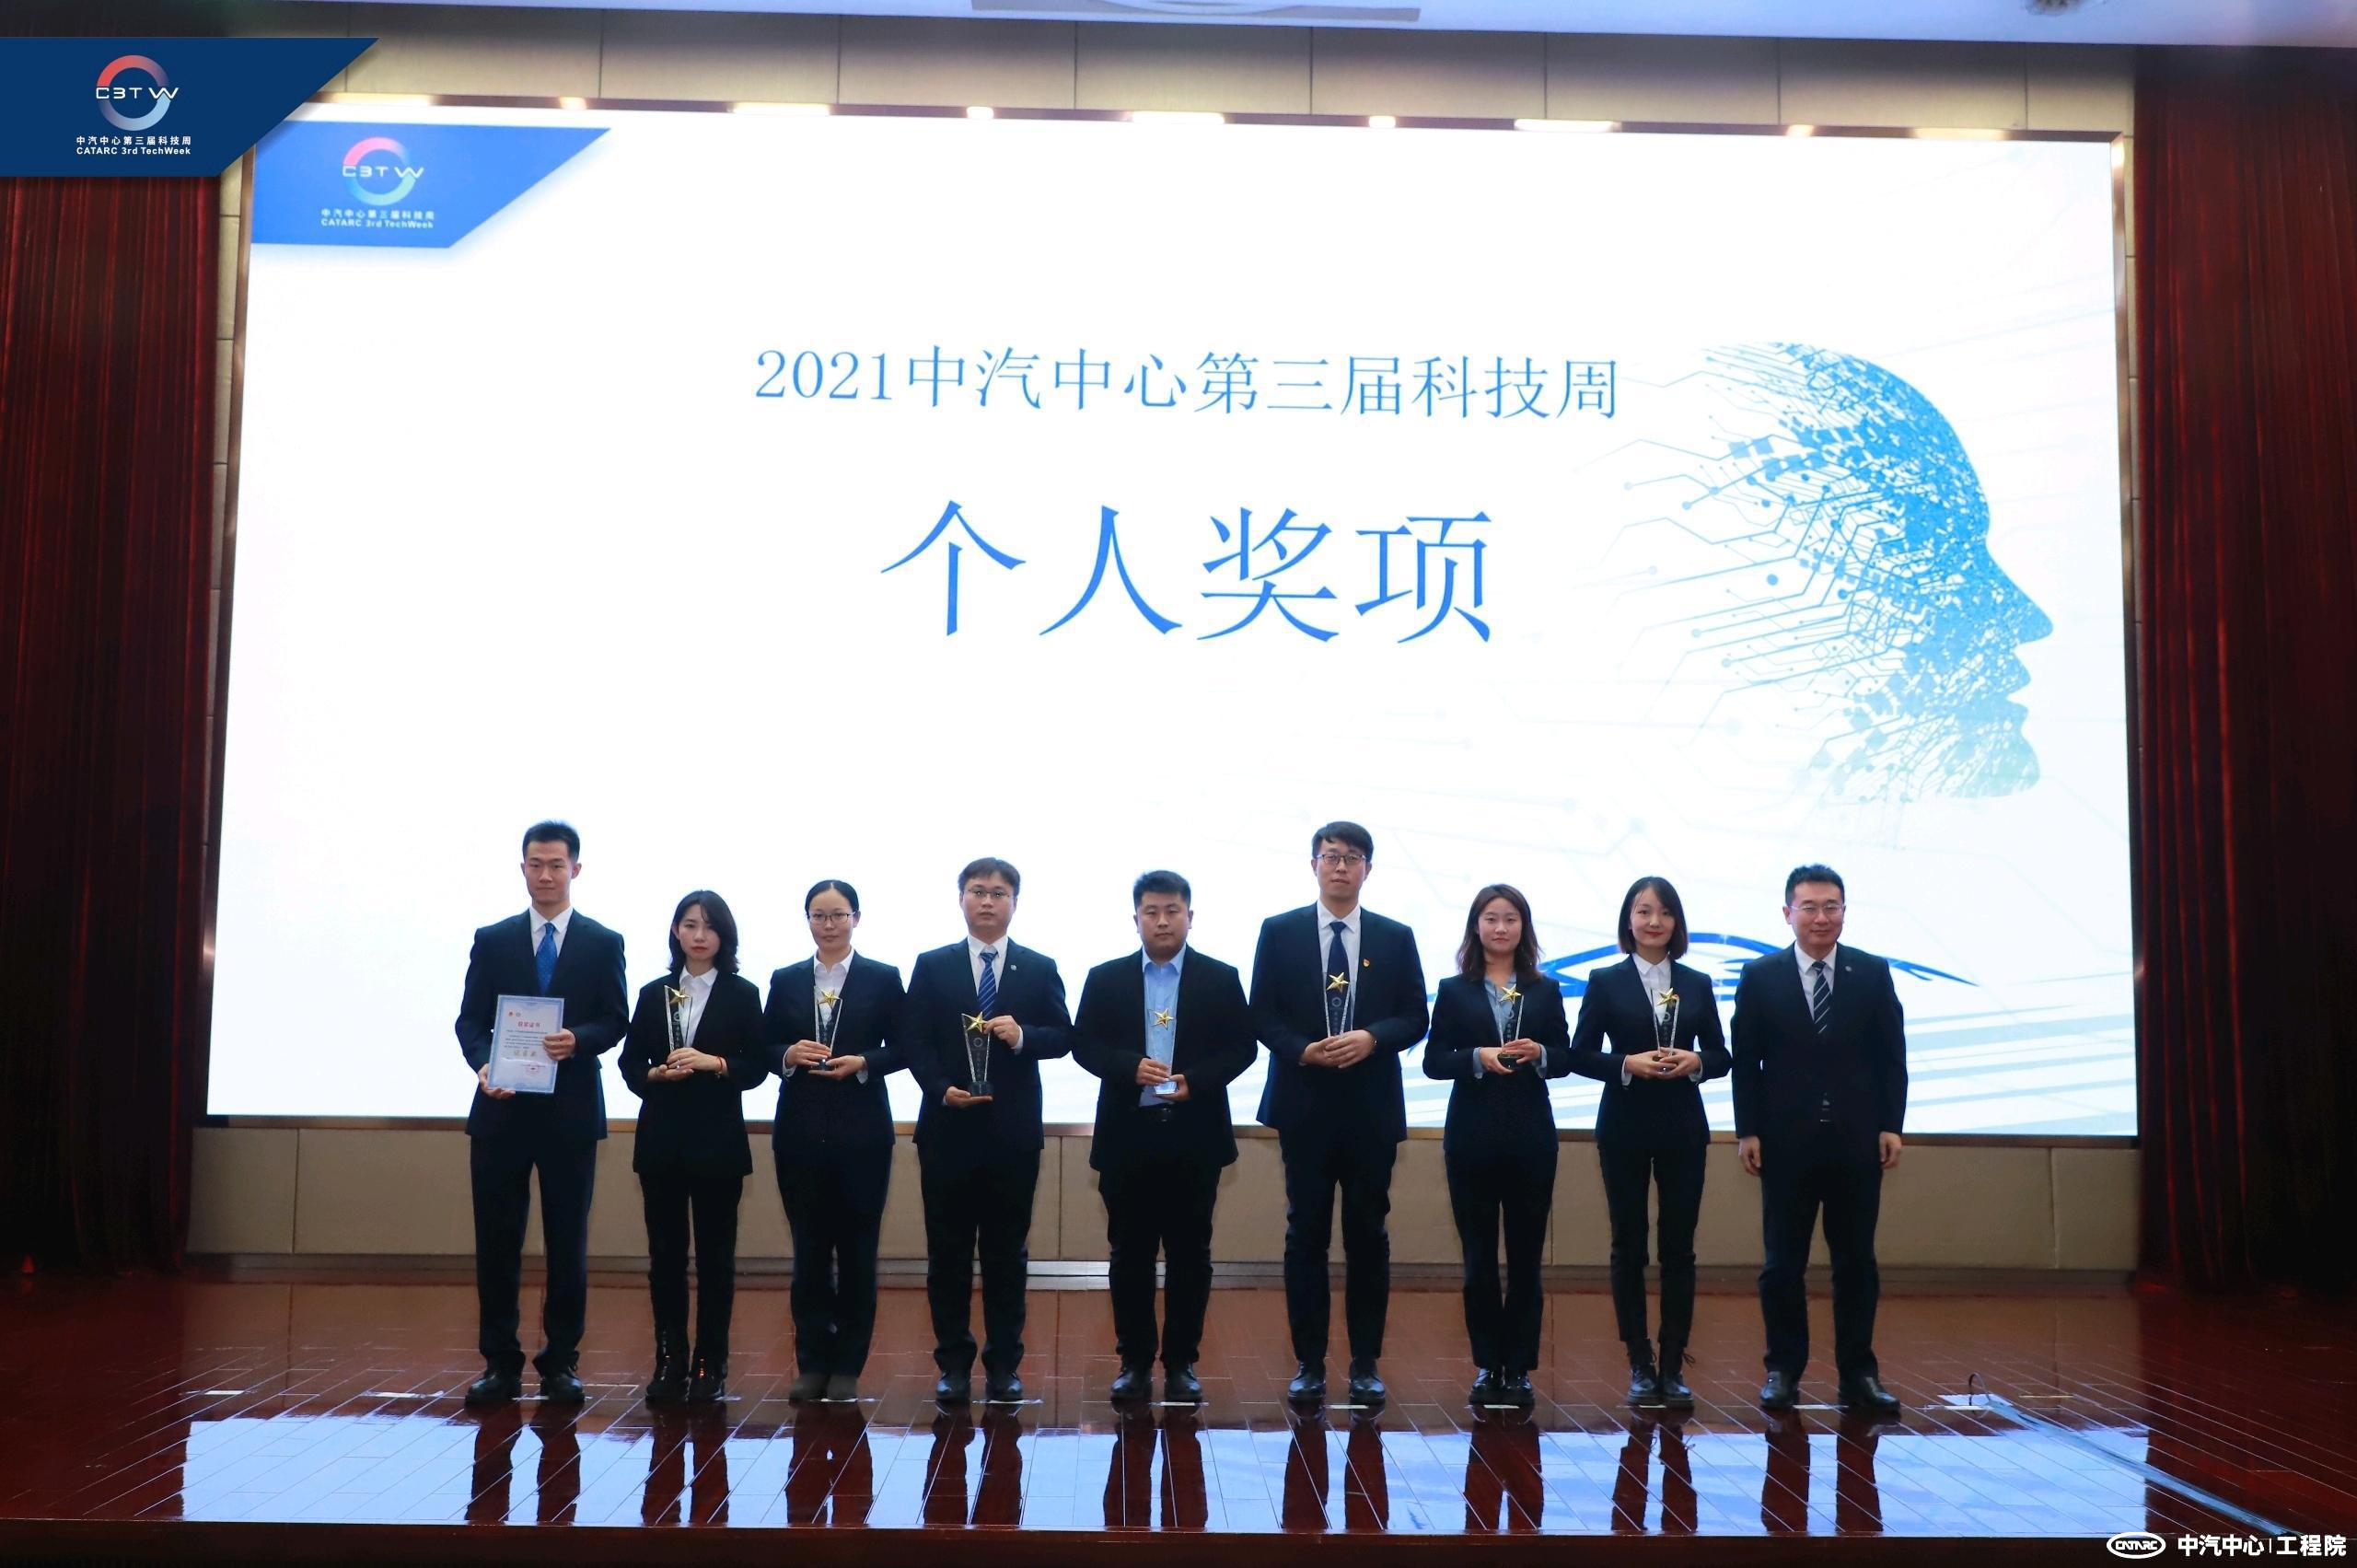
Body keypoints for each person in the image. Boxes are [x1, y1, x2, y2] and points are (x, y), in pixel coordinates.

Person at [1249, 819, 1430, 1407]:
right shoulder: (1279, 932)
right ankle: (1308, 1363)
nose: (1341, 866)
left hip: (1370, 1107)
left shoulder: (1395, 937)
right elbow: (1261, 1013)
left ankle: (1365, 1363)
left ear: (1367, 869)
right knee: (1305, 1232)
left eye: (1352, 857)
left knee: (1367, 1235)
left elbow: (1416, 1016)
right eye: (1331, 856)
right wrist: (1301, 1049)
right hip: (1304, 1103)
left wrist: (1372, 1038)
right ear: (1314, 865)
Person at [452, 820, 629, 1407]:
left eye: (556, 865)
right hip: (500, 1110)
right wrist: (484, 1064)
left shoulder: (603, 942)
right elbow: (470, 1021)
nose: (546, 875)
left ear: (575, 869)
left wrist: (578, 1040)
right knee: (496, 1241)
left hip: (569, 1112)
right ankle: (499, 1363)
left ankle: (561, 1363)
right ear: (523, 868)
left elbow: (616, 1019)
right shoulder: (493, 939)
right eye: (535, 864)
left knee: (567, 1240)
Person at [1072, 870, 1258, 1407]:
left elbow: (1242, 1048)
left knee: (1190, 1255)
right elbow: (1084, 1045)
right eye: (1151, 912)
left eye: (1172, 911)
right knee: (1129, 1254)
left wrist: (1195, 1081)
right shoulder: (1105, 978)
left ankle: (1181, 1363)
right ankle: (1133, 1362)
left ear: (1189, 917)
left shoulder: (1220, 978)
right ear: (1135, 919)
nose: (1161, 921)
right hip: (1127, 1138)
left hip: (1193, 1137)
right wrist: (1129, 1067)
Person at [1732, 864, 1908, 1414]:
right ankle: (1783, 1371)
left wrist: (1892, 1124)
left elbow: (1892, 1056)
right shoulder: (1760, 976)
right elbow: (1746, 1063)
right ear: (1788, 913)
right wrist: (1747, 1130)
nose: (1820, 917)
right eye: (1808, 907)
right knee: (1782, 1264)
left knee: (1856, 1262)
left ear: (1844, 912)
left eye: (1831, 906)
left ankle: (1860, 1374)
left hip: (1857, 1141)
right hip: (1785, 1143)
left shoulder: (1872, 973)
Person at [903, 856, 1073, 1404]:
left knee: (1006, 1255)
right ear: (961, 899)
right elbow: (914, 1039)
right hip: (947, 1129)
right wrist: (939, 1087)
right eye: (977, 891)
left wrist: (1023, 1037)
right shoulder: (933, 966)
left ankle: (1004, 1366)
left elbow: (1064, 1035)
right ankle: (953, 1364)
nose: (987, 901)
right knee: (947, 1254)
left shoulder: (1039, 967)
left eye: (999, 893)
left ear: (1014, 903)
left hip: (1011, 1134)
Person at [1566, 875, 1730, 1407]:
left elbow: (1722, 1055)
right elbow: (1579, 1054)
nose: (1653, 921)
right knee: (1628, 1244)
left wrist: (1697, 1061)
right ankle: (1639, 1360)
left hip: (1683, 1127)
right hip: (1624, 1126)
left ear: (1676, 922)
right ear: (1628, 920)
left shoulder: (1698, 982)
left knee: (1679, 1247)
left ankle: (1674, 1362)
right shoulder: (1604, 980)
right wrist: (1626, 1064)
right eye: (1643, 911)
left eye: (1663, 912)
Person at [1422, 884, 1572, 1410]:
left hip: (1531, 1139)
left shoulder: (1545, 990)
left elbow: (1567, 1056)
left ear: (1523, 927)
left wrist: (1541, 1053)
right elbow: (1433, 1061)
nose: (1501, 927)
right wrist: (1477, 1057)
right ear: (1476, 926)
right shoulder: (1453, 990)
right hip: (1471, 1139)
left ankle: (1520, 1366)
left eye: (1511, 918)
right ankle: (1488, 1364)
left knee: (1527, 1258)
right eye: (1491, 918)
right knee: (1479, 1258)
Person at [620, 889, 768, 1405]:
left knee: (715, 1259)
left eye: (709, 927)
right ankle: (669, 1359)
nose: (699, 935)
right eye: (689, 925)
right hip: (661, 1142)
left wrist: (717, 1064)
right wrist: (653, 1075)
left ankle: (710, 1363)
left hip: (718, 1144)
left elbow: (758, 1066)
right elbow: (629, 1063)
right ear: (675, 932)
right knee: (664, 1258)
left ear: (724, 935)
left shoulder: (743, 994)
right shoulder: (653, 993)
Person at [763, 878, 909, 1402]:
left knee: (857, 1253)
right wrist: (787, 1055)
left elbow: (906, 1045)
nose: (829, 925)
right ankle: (811, 1363)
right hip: (799, 1135)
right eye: (819, 916)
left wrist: (865, 1061)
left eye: (838, 915)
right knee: (808, 1253)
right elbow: (763, 1046)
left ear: (856, 918)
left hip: (863, 1137)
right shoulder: (785, 979)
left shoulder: (883, 978)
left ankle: (848, 1365)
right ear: (808, 920)